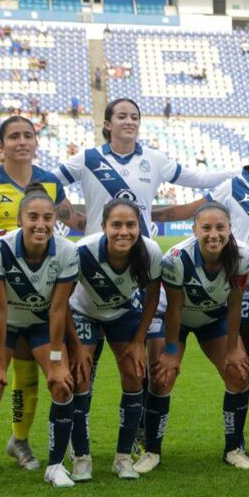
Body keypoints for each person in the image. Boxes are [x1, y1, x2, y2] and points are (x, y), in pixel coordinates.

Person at [0, 116, 85, 472]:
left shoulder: (49, 182)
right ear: (1, 145)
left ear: (36, 141)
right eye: (13, 136)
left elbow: (73, 220)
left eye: (27, 135)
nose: (21, 142)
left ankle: (20, 442)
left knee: (27, 371)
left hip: (34, 289)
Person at [152, 125, 249, 394]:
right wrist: (144, 215)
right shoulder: (230, 187)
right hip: (244, 285)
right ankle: (238, 432)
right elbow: (190, 210)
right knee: (242, 364)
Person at [64, 199, 163, 480]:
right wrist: (76, 346)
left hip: (122, 312)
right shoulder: (82, 251)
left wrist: (138, 341)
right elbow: (61, 302)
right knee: (80, 377)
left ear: (139, 227)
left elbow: (153, 296)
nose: (124, 231)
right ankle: (81, 456)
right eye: (116, 225)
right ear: (103, 226)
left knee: (135, 374)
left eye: (130, 225)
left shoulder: (150, 251)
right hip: (82, 313)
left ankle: (122, 457)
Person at [157, 203, 249, 469]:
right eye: (207, 228)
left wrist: (234, 347)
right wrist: (170, 351)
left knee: (238, 371)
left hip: (214, 319)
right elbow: (175, 308)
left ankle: (234, 448)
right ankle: (151, 451)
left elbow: (235, 304)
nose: (214, 234)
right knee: (162, 376)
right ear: (194, 230)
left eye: (220, 227)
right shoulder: (177, 258)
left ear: (230, 229)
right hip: (177, 320)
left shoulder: (243, 257)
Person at [58, 98, 231, 237]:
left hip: (141, 256)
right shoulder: (88, 158)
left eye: (135, 118)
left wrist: (243, 172)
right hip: (95, 254)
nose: (129, 122)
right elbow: (45, 182)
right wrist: (69, 217)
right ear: (107, 125)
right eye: (122, 116)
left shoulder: (155, 159)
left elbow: (201, 179)